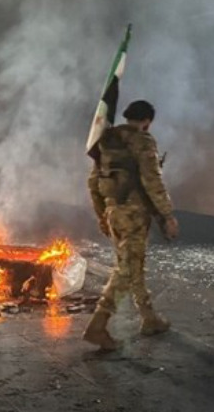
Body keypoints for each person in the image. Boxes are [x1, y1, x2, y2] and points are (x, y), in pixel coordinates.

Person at [83, 100, 179, 350]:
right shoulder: (143, 142)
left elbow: (93, 182)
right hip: (134, 213)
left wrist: (102, 214)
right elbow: (152, 181)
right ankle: (98, 325)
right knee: (126, 268)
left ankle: (149, 318)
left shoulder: (106, 141)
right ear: (146, 121)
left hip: (113, 211)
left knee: (133, 265)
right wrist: (167, 215)